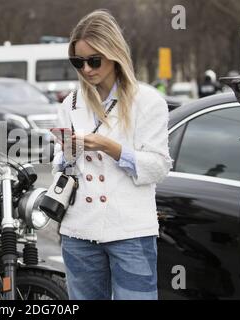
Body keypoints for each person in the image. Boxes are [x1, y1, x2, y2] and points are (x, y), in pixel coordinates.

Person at [52, 9, 172, 300]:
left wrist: (110, 147)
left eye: (94, 60)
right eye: (78, 62)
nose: (86, 69)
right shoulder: (72, 102)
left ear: (114, 53)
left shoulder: (147, 101)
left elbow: (159, 166)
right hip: (79, 230)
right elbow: (58, 165)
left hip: (130, 231)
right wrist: (67, 152)